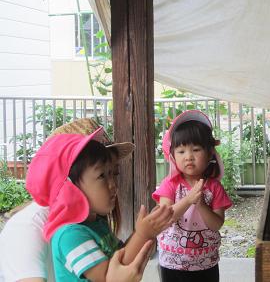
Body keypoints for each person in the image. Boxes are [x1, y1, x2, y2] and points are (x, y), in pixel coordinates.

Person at [0, 118, 172, 282]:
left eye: (114, 173)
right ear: (68, 185)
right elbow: (110, 276)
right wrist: (142, 234)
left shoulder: (95, 224)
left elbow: (121, 254)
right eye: (102, 175)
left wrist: (143, 230)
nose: (113, 184)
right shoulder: (69, 234)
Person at [152, 110, 233, 282]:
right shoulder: (170, 184)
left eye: (196, 149)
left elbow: (217, 224)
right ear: (172, 155)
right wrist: (189, 199)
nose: (189, 157)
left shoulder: (214, 187)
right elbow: (166, 217)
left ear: (210, 153)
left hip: (206, 263)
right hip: (172, 263)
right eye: (181, 151)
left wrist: (201, 204)